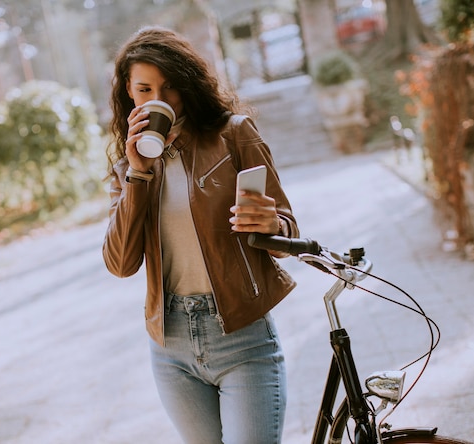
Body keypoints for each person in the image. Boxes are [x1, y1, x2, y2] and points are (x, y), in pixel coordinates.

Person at [102, 25, 299, 444]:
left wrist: (272, 225)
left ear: (188, 85)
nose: (158, 99)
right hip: (170, 347)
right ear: (128, 94)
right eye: (144, 89)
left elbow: (288, 229)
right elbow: (120, 264)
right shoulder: (128, 169)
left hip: (242, 339)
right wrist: (138, 173)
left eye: (170, 87)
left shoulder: (233, 134)